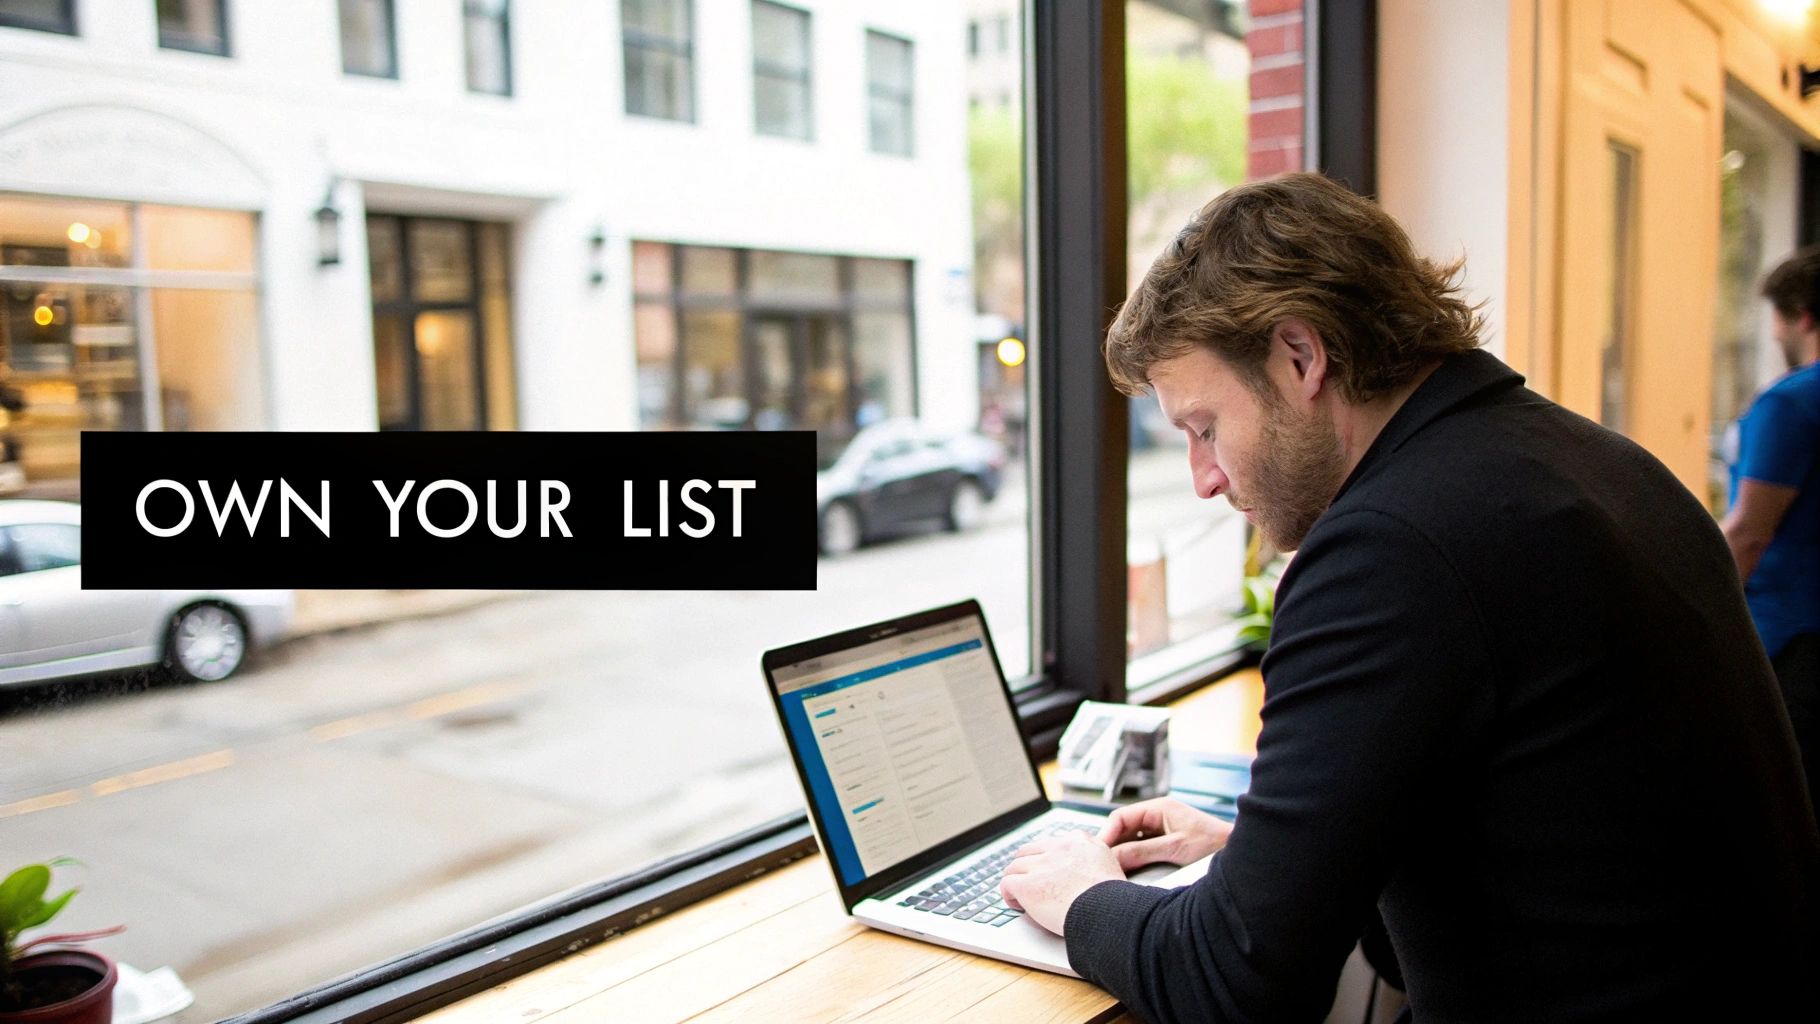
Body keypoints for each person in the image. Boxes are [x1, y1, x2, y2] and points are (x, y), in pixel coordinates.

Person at [998, 173, 1820, 1022]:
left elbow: (1237, 986)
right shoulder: (1594, 465)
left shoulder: (1394, 544)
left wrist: (1082, 895)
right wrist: (1276, 859)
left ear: (1300, 356)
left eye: (1206, 428)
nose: (1204, 479)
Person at [1723, 247, 1820, 825]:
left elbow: (1748, 534)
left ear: (1801, 315)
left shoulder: (1791, 403)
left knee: (1787, 816)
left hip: (1793, 640)